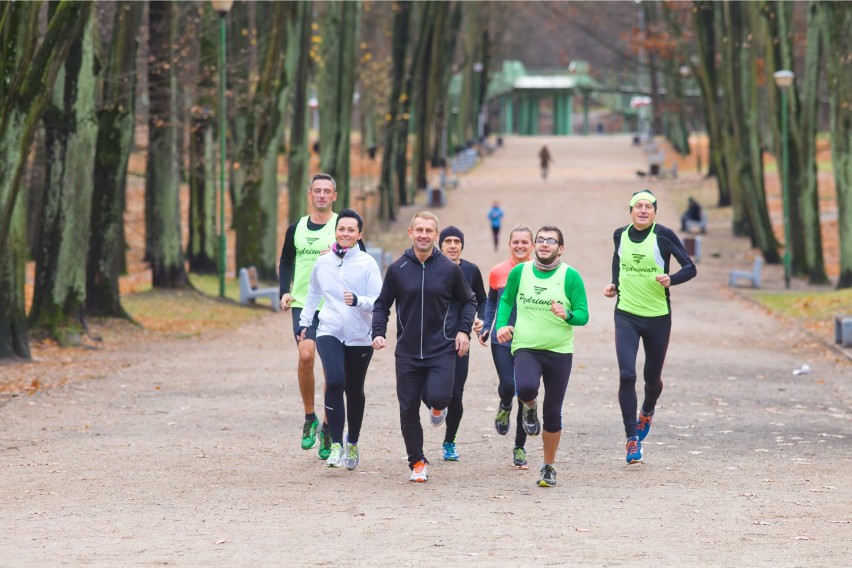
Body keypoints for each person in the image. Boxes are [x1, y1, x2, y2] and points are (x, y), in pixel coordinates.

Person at [371, 212, 477, 483]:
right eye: (419, 229)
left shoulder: (449, 269)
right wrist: (379, 332)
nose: (423, 235)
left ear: (436, 235)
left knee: (441, 396)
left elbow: (469, 301)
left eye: (429, 231)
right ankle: (417, 461)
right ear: (410, 232)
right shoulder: (397, 269)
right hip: (407, 352)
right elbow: (382, 304)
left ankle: (437, 407)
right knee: (407, 409)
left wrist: (464, 331)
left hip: (441, 348)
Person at [603, 190, 696, 464]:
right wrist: (614, 285)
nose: (643, 210)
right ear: (630, 210)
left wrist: (672, 279)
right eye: (638, 206)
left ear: (655, 212)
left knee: (651, 379)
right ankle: (632, 439)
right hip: (626, 315)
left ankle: (647, 409)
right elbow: (618, 260)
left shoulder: (663, 235)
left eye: (648, 207)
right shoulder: (620, 234)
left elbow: (690, 267)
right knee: (627, 375)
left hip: (658, 316)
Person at [495, 226, 589, 487]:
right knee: (525, 387)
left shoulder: (571, 277)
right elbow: (506, 301)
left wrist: (567, 314)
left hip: (560, 351)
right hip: (526, 345)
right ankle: (530, 408)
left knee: (554, 412)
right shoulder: (520, 272)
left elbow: (583, 315)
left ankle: (548, 466)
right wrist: (501, 324)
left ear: (561, 247)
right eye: (541, 240)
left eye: (551, 240)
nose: (545, 244)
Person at [298, 209, 382, 470]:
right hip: (329, 329)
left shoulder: (367, 263)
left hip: (359, 335)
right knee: (334, 380)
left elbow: (379, 301)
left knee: (354, 389)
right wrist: (305, 322)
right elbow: (313, 293)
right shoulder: (323, 263)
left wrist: (358, 301)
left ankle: (353, 442)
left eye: (351, 230)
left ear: (359, 234)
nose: (345, 234)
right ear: (336, 231)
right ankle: (335, 444)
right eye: (341, 229)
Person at [278, 173, 340, 460]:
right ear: (310, 195)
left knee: (331, 368)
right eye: (318, 190)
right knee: (306, 356)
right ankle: (309, 417)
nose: (322, 195)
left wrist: (339, 251)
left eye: (327, 191)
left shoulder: (342, 226)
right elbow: (287, 260)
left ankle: (328, 426)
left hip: (335, 305)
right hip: (304, 303)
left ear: (334, 196)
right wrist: (284, 291)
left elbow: (360, 258)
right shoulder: (297, 228)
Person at [479, 225, 535, 469]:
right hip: (502, 339)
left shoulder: (540, 272)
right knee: (508, 385)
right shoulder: (497, 272)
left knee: (525, 390)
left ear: (532, 245)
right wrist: (487, 326)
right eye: (516, 242)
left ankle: (519, 448)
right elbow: (491, 302)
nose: (520, 246)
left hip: (532, 341)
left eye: (525, 242)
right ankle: (504, 405)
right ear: (509, 244)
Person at [430, 226, 487, 462]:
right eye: (448, 241)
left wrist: (481, 319)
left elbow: (482, 299)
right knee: (430, 390)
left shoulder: (471, 270)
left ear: (462, 245)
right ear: (440, 244)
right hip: (431, 340)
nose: (452, 245)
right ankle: (436, 404)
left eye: (456, 241)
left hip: (460, 340)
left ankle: (449, 441)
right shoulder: (429, 267)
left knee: (456, 394)